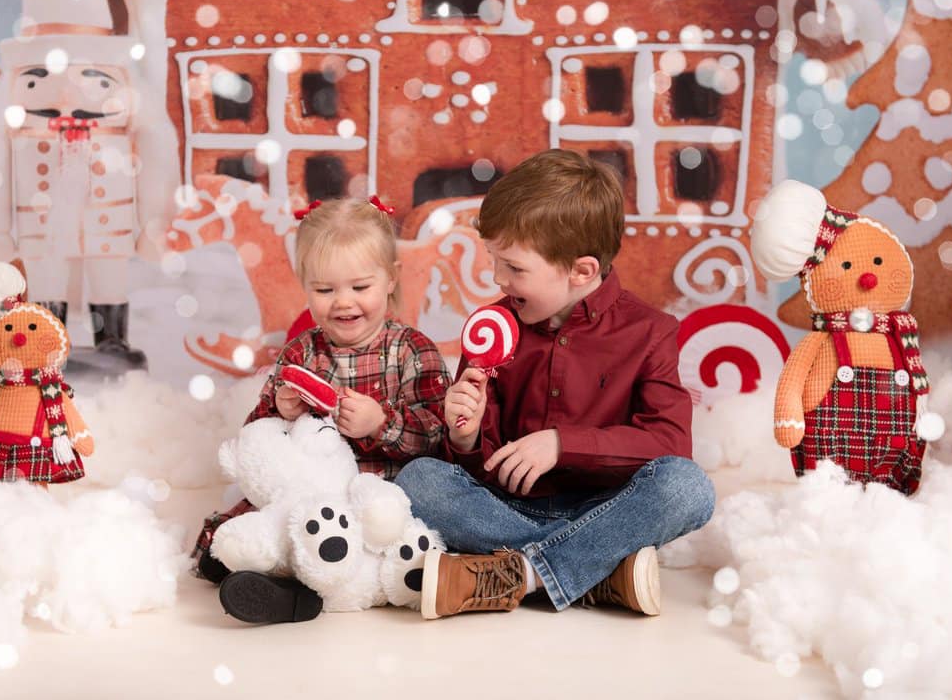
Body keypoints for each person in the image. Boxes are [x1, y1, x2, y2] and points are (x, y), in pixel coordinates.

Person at [395, 149, 715, 619]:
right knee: (418, 479)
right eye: (495, 261)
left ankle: (519, 575)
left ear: (581, 271)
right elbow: (481, 467)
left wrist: (563, 445)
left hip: (608, 509)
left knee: (688, 488)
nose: (497, 279)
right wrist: (464, 437)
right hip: (506, 509)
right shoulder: (495, 327)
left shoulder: (650, 332)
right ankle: (597, 574)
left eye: (515, 268)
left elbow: (669, 443)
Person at [192, 196, 449, 624]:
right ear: (305, 285)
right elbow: (257, 445)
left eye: (359, 287)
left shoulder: (412, 351)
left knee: (394, 530)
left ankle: (312, 587)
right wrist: (279, 410)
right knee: (265, 524)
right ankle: (283, 583)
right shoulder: (302, 352)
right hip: (313, 492)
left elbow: (436, 436)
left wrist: (380, 424)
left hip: (380, 491)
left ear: (390, 279)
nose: (343, 303)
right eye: (325, 290)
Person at [0, 0, 179, 372]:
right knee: (46, 274)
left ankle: (112, 339)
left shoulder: (124, 120)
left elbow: (157, 144)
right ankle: (48, 336)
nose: (66, 93)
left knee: (108, 274)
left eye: (92, 78)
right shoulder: (15, 128)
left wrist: (154, 221)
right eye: (40, 77)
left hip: (108, 220)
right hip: (40, 219)